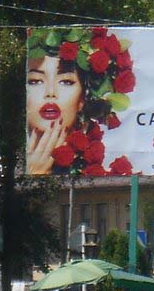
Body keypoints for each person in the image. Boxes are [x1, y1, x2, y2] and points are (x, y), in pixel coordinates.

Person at [23, 25, 134, 177]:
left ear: (83, 97)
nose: (50, 93)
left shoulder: (93, 169)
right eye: (35, 81)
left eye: (66, 82)